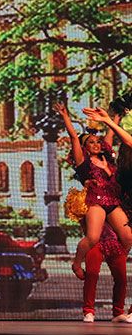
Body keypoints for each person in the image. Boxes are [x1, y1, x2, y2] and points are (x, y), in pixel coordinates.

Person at [55, 103, 132, 280]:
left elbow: (111, 134)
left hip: (113, 202)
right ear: (85, 147)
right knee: (92, 237)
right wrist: (65, 115)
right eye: (91, 142)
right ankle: (76, 263)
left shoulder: (108, 160)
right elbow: (74, 137)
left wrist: (115, 117)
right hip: (95, 202)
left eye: (98, 141)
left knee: (127, 236)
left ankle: (117, 259)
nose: (96, 144)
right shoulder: (84, 163)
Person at [64, 191, 132, 323]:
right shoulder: (92, 207)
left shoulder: (116, 208)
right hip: (96, 244)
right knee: (92, 275)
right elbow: (90, 234)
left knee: (121, 279)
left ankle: (118, 312)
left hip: (114, 244)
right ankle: (88, 311)